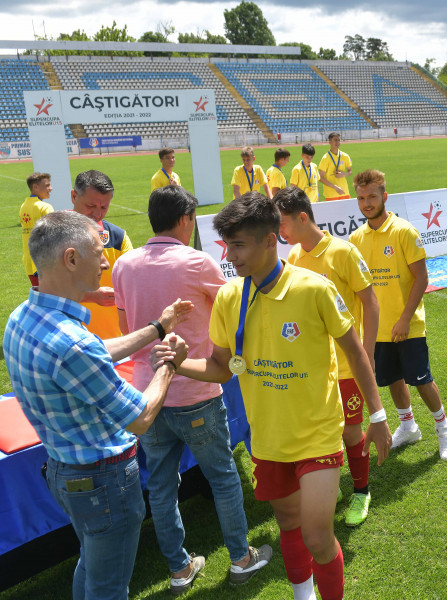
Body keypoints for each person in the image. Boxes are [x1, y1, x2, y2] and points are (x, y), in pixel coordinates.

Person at [156, 191, 391, 600]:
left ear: (270, 240)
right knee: (288, 528)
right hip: (267, 441)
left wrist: (377, 416)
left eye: (239, 244)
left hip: (317, 435)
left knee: (318, 536)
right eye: (227, 244)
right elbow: (219, 367)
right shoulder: (230, 297)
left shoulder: (313, 288)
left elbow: (354, 351)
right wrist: (179, 361)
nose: (230, 254)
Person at [3, 210, 192, 600]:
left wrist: (157, 327)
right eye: (99, 250)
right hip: (103, 484)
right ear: (71, 259)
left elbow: (94, 354)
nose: (108, 261)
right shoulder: (74, 344)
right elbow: (140, 417)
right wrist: (169, 364)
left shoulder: (22, 317)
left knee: (91, 562)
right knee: (108, 588)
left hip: (64, 472)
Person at [113, 186, 270, 593]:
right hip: (195, 391)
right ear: (185, 220)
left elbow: (123, 328)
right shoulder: (197, 261)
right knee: (222, 478)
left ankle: (180, 569)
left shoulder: (124, 264)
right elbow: (238, 308)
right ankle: (240, 558)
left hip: (147, 394)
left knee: (162, 488)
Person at [277, 185, 380, 527]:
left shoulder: (343, 252)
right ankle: (331, 484)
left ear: (302, 217)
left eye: (283, 223)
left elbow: (370, 301)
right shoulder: (293, 257)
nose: (280, 231)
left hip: (347, 366)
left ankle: (362, 491)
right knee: (322, 431)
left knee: (351, 432)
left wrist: (368, 351)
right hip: (315, 368)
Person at [350, 169, 447, 460]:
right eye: (361, 198)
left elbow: (421, 279)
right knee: (392, 379)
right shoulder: (355, 239)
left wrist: (405, 319)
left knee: (421, 379)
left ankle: (443, 425)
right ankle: (408, 425)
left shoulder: (404, 231)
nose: (367, 203)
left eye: (372, 196)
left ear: (385, 196)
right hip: (376, 328)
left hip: (407, 325)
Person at [71, 170, 133, 339]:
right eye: (91, 206)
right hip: (70, 341)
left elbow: (132, 282)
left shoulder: (118, 237)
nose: (97, 214)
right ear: (74, 197)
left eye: (104, 207)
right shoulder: (54, 236)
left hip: (114, 341)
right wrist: (91, 296)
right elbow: (44, 289)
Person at [20, 171, 54, 286]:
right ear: (35, 187)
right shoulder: (45, 207)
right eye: (47, 185)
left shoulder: (23, 206)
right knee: (53, 297)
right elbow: (53, 234)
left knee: (40, 297)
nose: (51, 188)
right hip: (44, 262)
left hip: (29, 261)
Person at [318, 133, 353, 201]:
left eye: (338, 140)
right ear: (330, 142)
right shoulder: (325, 158)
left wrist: (344, 174)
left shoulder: (345, 156)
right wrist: (335, 187)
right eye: (335, 140)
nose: (337, 142)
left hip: (344, 192)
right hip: (331, 194)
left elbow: (350, 171)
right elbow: (320, 177)